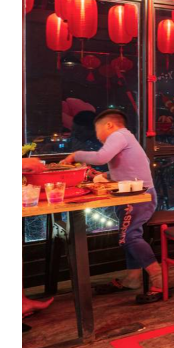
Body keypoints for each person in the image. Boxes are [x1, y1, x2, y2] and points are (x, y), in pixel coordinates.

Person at [61, 107, 159, 290]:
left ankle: (159, 278)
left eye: (97, 131)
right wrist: (106, 175)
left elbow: (101, 157)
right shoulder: (128, 137)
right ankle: (133, 278)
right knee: (129, 235)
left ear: (109, 125)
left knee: (129, 237)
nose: (98, 138)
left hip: (137, 197)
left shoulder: (118, 135)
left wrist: (75, 155)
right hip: (137, 194)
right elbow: (134, 167)